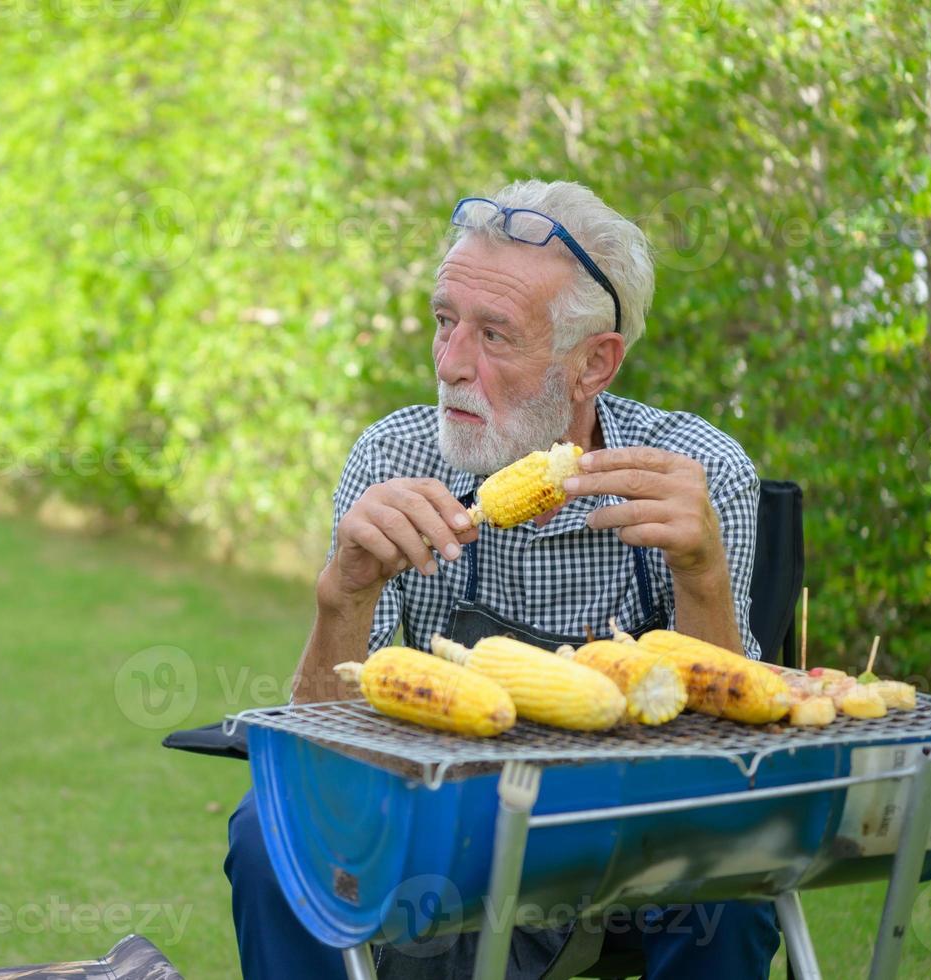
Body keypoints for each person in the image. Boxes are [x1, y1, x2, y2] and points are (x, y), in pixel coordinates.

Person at [224, 181, 780, 978]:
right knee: (265, 831)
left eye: (493, 335)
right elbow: (324, 752)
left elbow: (741, 755)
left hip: (639, 832)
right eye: (445, 322)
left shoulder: (696, 473)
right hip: (453, 821)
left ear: (593, 363)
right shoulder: (394, 458)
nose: (450, 366)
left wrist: (700, 575)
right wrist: (340, 595)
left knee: (737, 880)